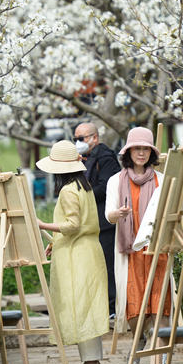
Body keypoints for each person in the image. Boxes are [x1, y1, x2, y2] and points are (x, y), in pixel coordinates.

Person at [36, 140, 109, 364]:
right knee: (87, 305)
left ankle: (90, 362)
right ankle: (92, 361)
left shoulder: (68, 190)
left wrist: (42, 225)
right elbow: (78, 224)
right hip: (87, 249)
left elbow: (72, 225)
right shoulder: (83, 186)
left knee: (79, 307)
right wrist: (54, 240)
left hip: (77, 255)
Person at [105, 127, 169, 361]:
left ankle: (160, 352)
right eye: (136, 149)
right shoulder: (116, 181)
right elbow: (108, 215)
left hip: (156, 248)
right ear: (128, 152)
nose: (141, 153)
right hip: (129, 249)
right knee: (132, 298)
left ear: (151, 153)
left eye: (145, 149)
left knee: (160, 297)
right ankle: (139, 335)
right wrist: (118, 214)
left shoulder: (162, 180)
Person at [74, 122, 121, 317]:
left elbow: (106, 188)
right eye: (75, 138)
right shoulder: (84, 158)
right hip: (91, 221)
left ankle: (112, 306)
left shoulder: (106, 158)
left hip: (106, 221)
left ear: (95, 137)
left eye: (81, 138)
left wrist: (82, 195)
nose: (78, 142)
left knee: (108, 266)